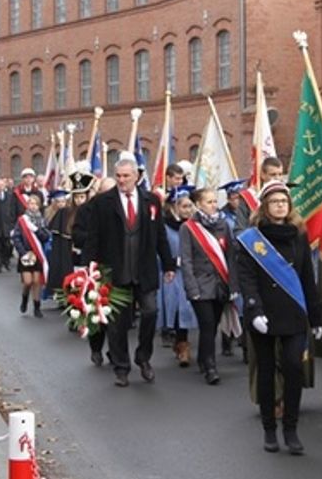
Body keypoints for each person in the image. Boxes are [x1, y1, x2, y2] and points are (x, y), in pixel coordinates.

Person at [74, 154, 176, 386]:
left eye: (126, 176)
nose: (121, 180)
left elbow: (160, 235)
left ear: (136, 176)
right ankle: (121, 367)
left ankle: (143, 357)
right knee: (117, 323)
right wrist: (89, 267)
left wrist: (168, 264)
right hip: (115, 271)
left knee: (150, 312)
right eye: (118, 176)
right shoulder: (103, 202)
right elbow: (93, 236)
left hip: (144, 269)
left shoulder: (151, 201)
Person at [237, 179, 322, 455]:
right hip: (264, 313)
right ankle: (269, 429)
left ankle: (291, 428)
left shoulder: (298, 235)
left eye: (284, 201)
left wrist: (316, 316)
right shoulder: (252, 239)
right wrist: (254, 310)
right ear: (264, 206)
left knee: (293, 367)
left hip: (294, 312)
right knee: (265, 371)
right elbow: (247, 278)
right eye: (274, 202)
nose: (280, 206)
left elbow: (307, 277)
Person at [180, 186, 235, 384]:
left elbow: (230, 256)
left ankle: (204, 357)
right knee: (207, 324)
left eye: (215, 201)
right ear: (198, 204)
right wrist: (192, 288)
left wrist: (233, 286)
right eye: (209, 202)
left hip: (220, 284)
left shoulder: (223, 225)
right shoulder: (188, 228)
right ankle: (211, 367)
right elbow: (186, 260)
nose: (213, 205)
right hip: (201, 285)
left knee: (213, 325)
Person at [158, 185, 199, 368]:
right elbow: (160, 250)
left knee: (187, 309)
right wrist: (171, 263)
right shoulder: (165, 226)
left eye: (190, 206)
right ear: (175, 207)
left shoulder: (196, 226)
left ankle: (183, 344)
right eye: (184, 206)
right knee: (175, 308)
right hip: (172, 272)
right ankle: (180, 343)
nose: (188, 210)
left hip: (192, 272)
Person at [46, 169, 94, 301]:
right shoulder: (64, 213)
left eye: (82, 197)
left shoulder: (93, 212)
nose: (79, 201)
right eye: (76, 197)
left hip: (86, 254)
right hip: (68, 255)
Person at [10, 193, 50, 318]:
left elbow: (46, 237)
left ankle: (37, 306)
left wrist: (37, 230)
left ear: (39, 206)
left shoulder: (42, 220)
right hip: (26, 254)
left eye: (35, 204)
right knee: (28, 281)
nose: (33, 206)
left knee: (37, 281)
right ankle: (24, 298)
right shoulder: (22, 220)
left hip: (37, 253)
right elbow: (16, 237)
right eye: (30, 203)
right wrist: (23, 252)